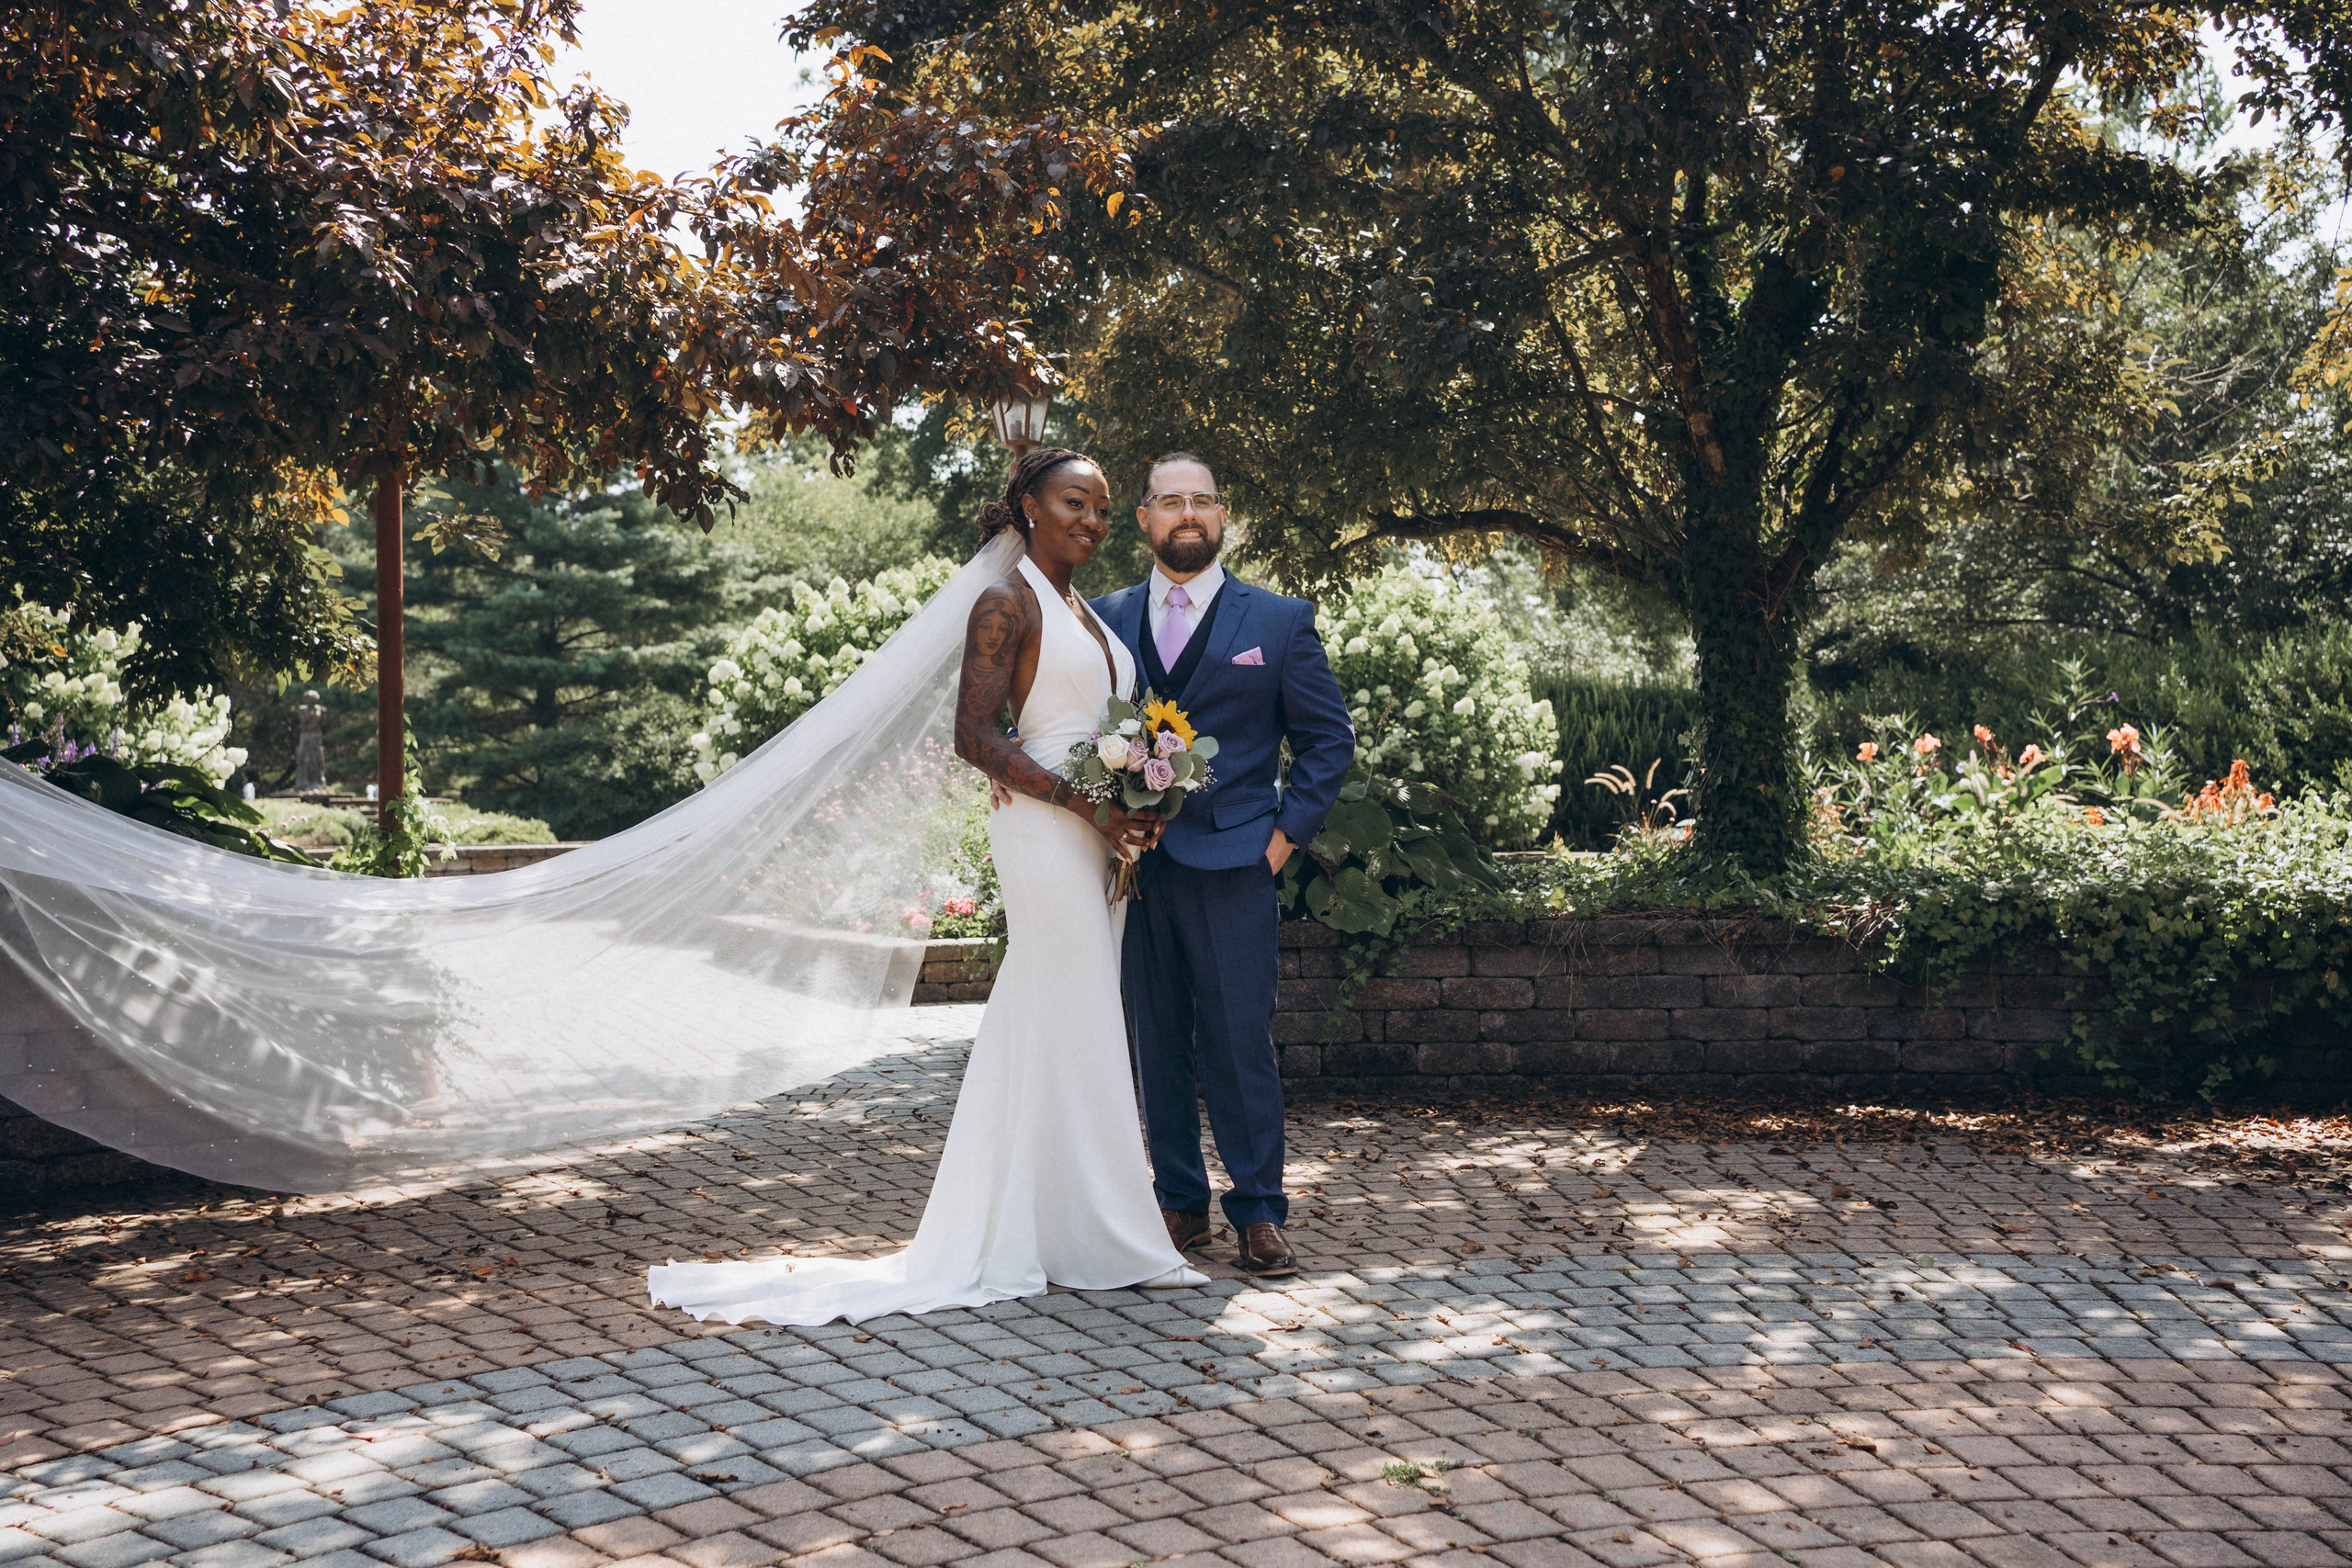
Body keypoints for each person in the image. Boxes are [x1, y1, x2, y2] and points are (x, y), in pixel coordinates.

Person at [648, 448, 1206, 1325]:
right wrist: (1086, 806)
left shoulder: (1086, 614)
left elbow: (1097, 728)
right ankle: (1089, 1227)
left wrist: (1140, 797)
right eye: (1074, 503)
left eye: (1101, 508)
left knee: (1064, 1013)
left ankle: (1059, 1221)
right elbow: (975, 735)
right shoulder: (1006, 600)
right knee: (1078, 1005)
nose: (1092, 521)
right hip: (1045, 831)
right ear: (1028, 505)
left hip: (1098, 835)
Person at [1092, 453, 1355, 1277]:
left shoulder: (1277, 622)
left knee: (1241, 1043)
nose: (1187, 514)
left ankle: (1259, 1212)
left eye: (1201, 500)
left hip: (1238, 862)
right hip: (1138, 870)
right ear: (1144, 519)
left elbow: (1327, 741)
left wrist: (1280, 842)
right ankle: (1177, 1203)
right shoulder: (1102, 620)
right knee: (1156, 1040)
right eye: (1170, 501)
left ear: (1223, 514)